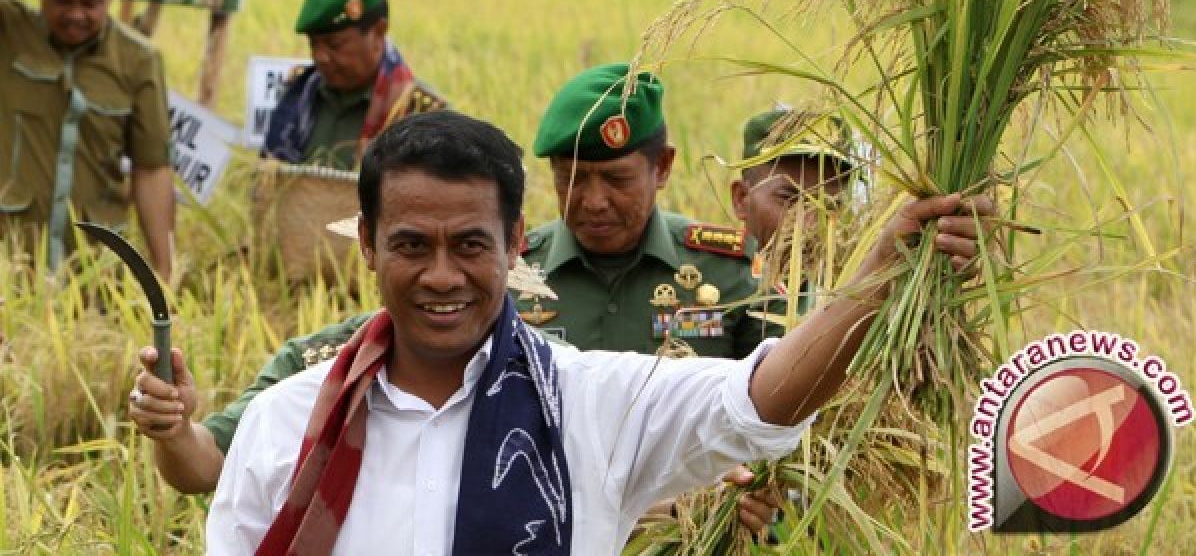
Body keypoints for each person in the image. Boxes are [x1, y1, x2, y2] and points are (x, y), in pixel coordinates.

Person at [198, 110, 986, 554]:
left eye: (471, 245)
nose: (442, 275)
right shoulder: (288, 423)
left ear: (515, 247)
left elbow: (762, 400)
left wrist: (880, 276)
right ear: (368, 244)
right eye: (411, 245)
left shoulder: (592, 402)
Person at [517, 62, 781, 358]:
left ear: (663, 167)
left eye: (617, 179)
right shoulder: (511, 276)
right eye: (571, 179)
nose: (594, 202)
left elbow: (778, 394)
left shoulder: (732, 273)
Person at [0, 0, 174, 276]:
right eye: (62, 0)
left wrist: (164, 274)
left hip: (94, 269)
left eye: (90, 4)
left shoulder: (138, 60)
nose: (75, 15)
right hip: (12, 263)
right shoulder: (9, 32)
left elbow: (151, 168)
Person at [261, 0, 446, 170]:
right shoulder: (300, 94)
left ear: (378, 31)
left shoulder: (420, 113)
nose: (320, 57)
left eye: (334, 45)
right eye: (313, 44)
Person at [731, 107, 858, 314]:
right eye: (789, 199)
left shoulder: (857, 298)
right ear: (741, 199)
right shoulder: (709, 287)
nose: (809, 224)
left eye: (830, 206)